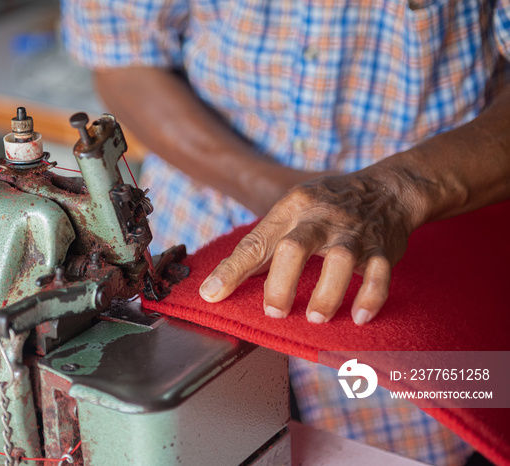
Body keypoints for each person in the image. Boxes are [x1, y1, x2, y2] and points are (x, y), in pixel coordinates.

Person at [61, 1, 510, 464]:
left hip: (424, 262)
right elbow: (122, 54)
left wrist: (393, 193)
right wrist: (268, 185)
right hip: (198, 227)